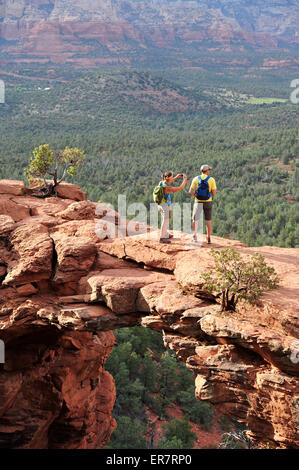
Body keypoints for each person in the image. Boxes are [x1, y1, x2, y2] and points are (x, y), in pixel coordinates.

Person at [189, 164, 217, 244]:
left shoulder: (195, 179)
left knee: (195, 219)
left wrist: (196, 196)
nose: (209, 171)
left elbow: (190, 191)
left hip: (198, 202)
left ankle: (195, 236)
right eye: (209, 170)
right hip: (208, 201)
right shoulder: (211, 180)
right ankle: (208, 237)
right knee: (208, 219)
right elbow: (214, 193)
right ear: (207, 171)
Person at [158, 171, 187, 243]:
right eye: (172, 177)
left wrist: (176, 177)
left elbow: (169, 180)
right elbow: (180, 188)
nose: (172, 178)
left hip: (160, 204)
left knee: (165, 220)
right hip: (165, 205)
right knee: (165, 221)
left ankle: (166, 234)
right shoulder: (167, 188)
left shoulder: (162, 182)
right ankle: (162, 238)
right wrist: (185, 179)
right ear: (168, 178)